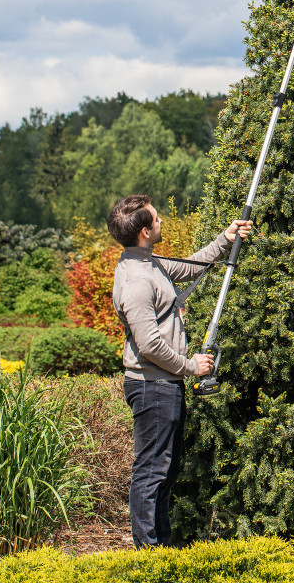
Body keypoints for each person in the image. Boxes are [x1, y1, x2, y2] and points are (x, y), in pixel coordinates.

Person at [107, 194, 252, 549]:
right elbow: (149, 346)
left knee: (165, 470)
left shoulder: (147, 262)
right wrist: (190, 366)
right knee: (152, 471)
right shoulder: (136, 281)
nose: (161, 222)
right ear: (144, 231)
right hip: (152, 386)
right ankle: (147, 552)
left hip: (163, 385)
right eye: (156, 219)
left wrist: (224, 239)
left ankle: (162, 546)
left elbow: (187, 268)